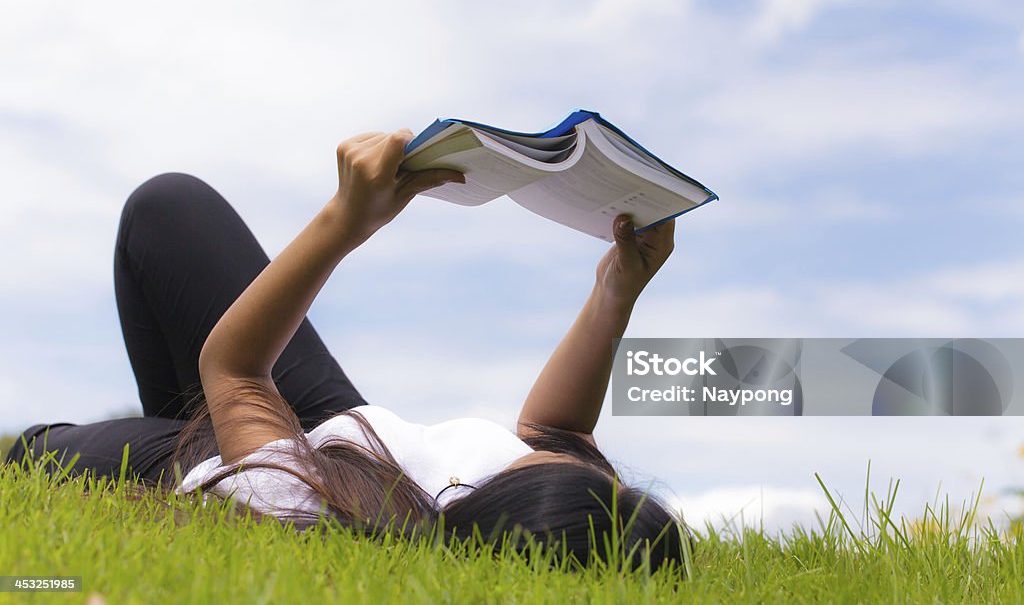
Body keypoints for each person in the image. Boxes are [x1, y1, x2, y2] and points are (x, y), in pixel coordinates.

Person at [4, 129, 690, 572]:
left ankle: (198, 433)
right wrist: (616, 292)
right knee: (167, 206)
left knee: (33, 454)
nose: (576, 458)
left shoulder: (297, 501)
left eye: (560, 467)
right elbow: (559, 431)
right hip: (346, 424)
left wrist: (344, 222)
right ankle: (216, 421)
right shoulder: (558, 501)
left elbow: (234, 368)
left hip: (277, 453)